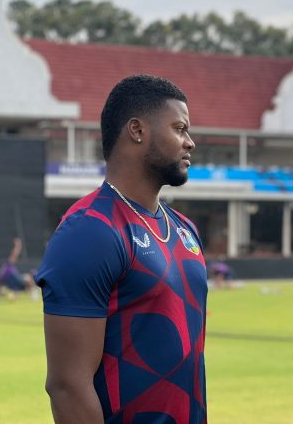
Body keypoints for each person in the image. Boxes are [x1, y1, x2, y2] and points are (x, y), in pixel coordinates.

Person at [36, 75, 208, 423]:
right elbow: (67, 386)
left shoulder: (184, 229)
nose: (189, 142)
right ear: (137, 130)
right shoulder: (89, 230)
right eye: (179, 128)